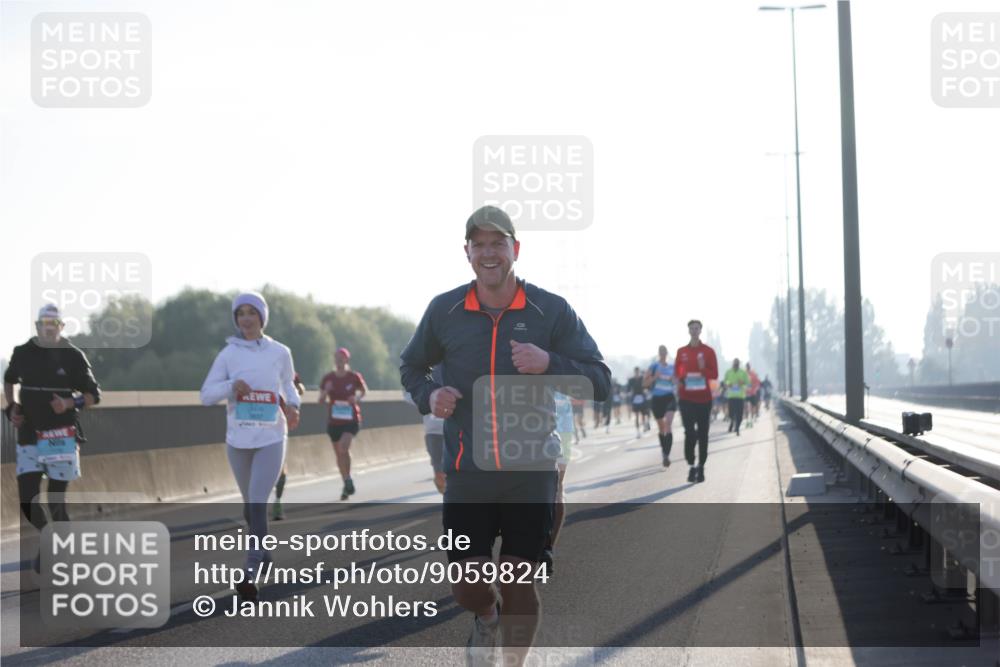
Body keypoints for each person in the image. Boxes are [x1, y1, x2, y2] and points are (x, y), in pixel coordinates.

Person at [399, 205, 610, 667]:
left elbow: (600, 380)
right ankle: (486, 615)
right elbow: (411, 367)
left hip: (530, 469)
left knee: (520, 580)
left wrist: (549, 362)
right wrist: (429, 395)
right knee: (467, 585)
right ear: (467, 253)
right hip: (468, 470)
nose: (489, 253)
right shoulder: (445, 310)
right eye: (480, 245)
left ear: (516, 248)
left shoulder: (550, 311)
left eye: (498, 243)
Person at [200, 292, 301, 602]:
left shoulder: (279, 352)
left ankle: (251, 570)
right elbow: (205, 394)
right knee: (249, 505)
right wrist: (231, 386)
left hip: (271, 437)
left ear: (262, 317)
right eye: (240, 313)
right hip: (238, 440)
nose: (246, 318)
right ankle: (265, 553)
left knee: (257, 502)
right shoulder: (228, 354)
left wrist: (294, 406)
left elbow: (288, 385)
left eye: (251, 313)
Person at [4, 305, 101, 547]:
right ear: (37, 326)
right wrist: (11, 406)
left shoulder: (73, 355)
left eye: (54, 324)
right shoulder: (23, 352)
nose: (49, 329)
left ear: (61, 327)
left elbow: (93, 395)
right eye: (44, 324)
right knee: (28, 500)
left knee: (55, 501)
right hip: (29, 434)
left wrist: (69, 402)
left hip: (61, 435)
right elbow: (9, 379)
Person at [319, 348, 368, 501]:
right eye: (336, 358)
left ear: (347, 360)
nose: (338, 361)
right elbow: (320, 400)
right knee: (339, 454)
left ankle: (347, 480)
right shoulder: (328, 378)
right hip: (334, 421)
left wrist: (357, 398)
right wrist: (326, 392)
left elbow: (363, 391)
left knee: (343, 447)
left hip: (351, 419)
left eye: (341, 358)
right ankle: (346, 481)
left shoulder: (354, 377)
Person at [675, 320, 719, 483]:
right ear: (688, 331)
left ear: (700, 331)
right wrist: (681, 378)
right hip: (686, 398)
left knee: (703, 434)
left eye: (696, 328)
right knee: (689, 433)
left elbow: (714, 374)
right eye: (691, 328)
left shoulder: (708, 352)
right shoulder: (681, 351)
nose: (694, 331)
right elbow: (678, 372)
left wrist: (702, 369)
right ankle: (691, 464)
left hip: (703, 399)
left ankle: (701, 467)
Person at [404, 366, 447, 494]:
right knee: (438, 470)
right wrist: (426, 399)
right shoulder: (424, 368)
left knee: (455, 468)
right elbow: (407, 394)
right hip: (433, 429)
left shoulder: (454, 365)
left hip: (455, 427)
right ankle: (445, 491)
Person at [272, 372, 306, 520]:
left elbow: (299, 387)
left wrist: (295, 394)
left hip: (278, 422)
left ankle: (278, 501)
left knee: (280, 464)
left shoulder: (285, 365)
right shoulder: (251, 364)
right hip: (254, 423)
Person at [644, 345, 677, 468]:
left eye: (664, 351)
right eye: (661, 351)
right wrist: (654, 377)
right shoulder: (653, 367)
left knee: (668, 424)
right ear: (659, 353)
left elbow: (678, 382)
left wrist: (674, 380)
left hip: (669, 397)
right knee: (661, 428)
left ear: (667, 353)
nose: (663, 353)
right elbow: (644, 383)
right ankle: (664, 452)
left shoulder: (672, 367)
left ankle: (666, 455)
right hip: (657, 399)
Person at [722, 358, 750, 436]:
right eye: (735, 363)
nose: (736, 364)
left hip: (740, 396)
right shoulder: (728, 372)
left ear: (739, 364)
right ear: (733, 363)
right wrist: (728, 384)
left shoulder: (743, 372)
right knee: (731, 413)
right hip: (731, 396)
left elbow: (747, 383)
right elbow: (725, 382)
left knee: (740, 414)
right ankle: (732, 422)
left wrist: (743, 383)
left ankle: (737, 428)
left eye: (737, 363)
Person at [626, 366, 648, 438]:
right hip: (635, 399)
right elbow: (628, 388)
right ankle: (638, 431)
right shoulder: (631, 380)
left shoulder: (642, 378)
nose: (637, 373)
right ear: (634, 372)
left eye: (638, 372)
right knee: (636, 416)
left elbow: (646, 386)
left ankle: (644, 424)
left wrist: (646, 390)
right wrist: (628, 392)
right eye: (636, 372)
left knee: (643, 415)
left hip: (642, 398)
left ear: (639, 372)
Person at [745, 363, 761, 428]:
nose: (748, 367)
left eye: (748, 366)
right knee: (746, 407)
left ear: (749, 367)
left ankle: (751, 418)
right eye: (747, 366)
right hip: (745, 393)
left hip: (752, 393)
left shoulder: (753, 374)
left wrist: (754, 387)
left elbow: (758, 382)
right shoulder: (743, 373)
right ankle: (747, 420)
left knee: (752, 407)